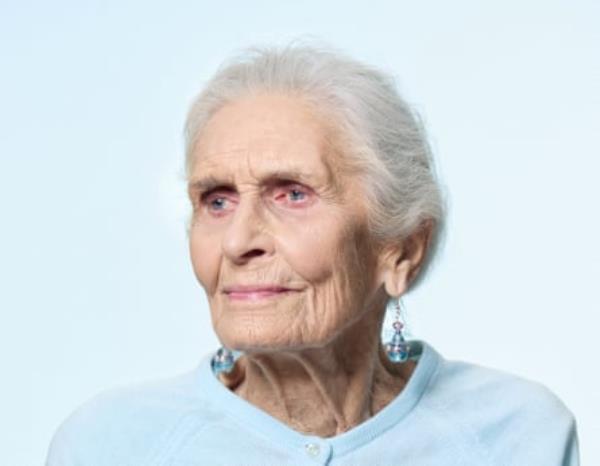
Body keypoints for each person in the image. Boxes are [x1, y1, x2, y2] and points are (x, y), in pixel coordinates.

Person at [46, 43, 580, 465]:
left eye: (293, 194)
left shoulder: (517, 435)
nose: (237, 242)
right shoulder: (108, 446)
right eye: (217, 201)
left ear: (400, 250)